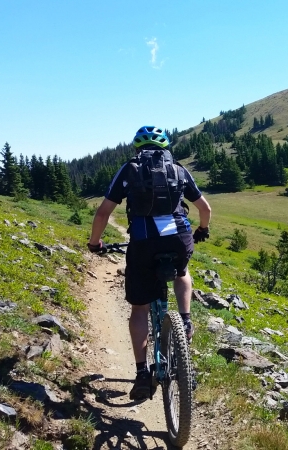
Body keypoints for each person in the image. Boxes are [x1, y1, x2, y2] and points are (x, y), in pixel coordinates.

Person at [87, 126, 211, 400]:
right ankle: (186, 320)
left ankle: (142, 373)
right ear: (166, 147)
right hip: (178, 237)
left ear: (137, 148)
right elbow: (205, 209)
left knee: (140, 308)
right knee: (182, 271)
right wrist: (201, 230)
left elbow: (104, 211)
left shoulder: (129, 169)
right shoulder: (178, 170)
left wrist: (95, 243)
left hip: (143, 242)